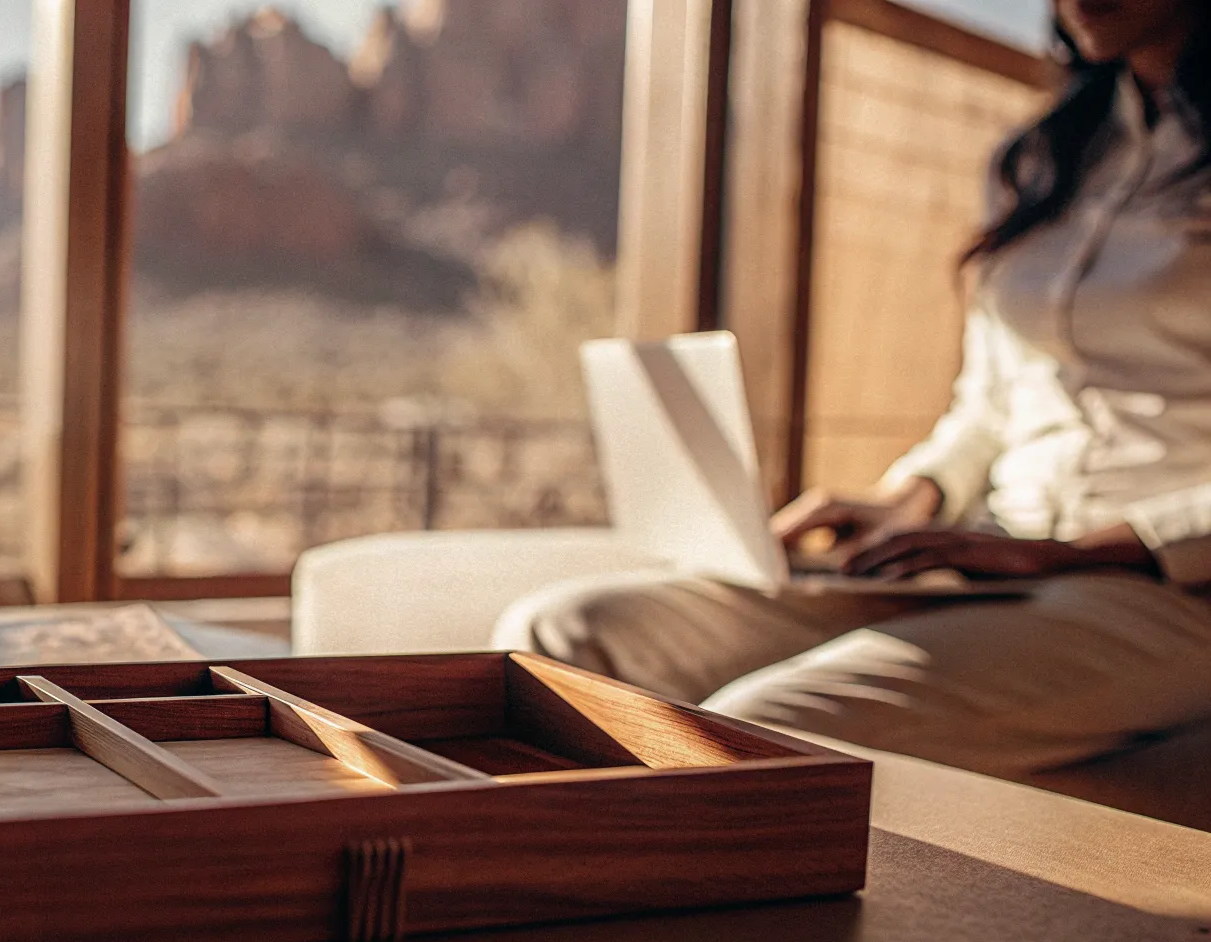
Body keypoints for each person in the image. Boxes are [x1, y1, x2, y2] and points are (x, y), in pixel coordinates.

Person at [513, 0, 1211, 777]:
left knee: (758, 730)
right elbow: (990, 401)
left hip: (1167, 596)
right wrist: (908, 499)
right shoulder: (1051, 154)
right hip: (986, 556)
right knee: (561, 635)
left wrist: (1078, 551)